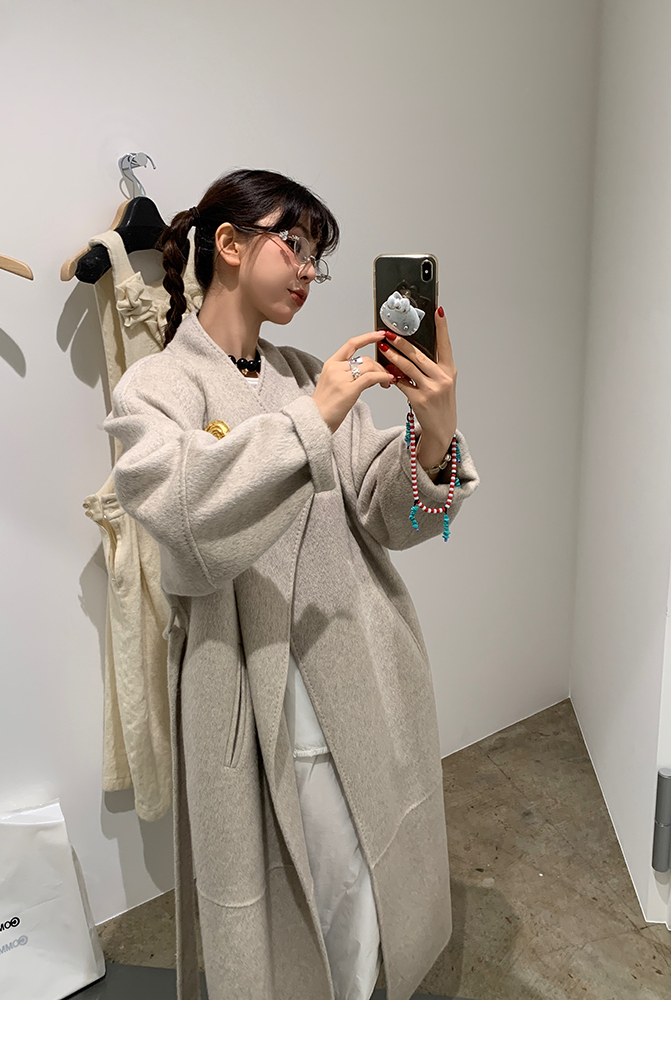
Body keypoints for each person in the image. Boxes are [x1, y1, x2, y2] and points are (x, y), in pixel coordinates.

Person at [103, 168, 479, 1000]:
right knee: (297, 911)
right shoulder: (155, 388)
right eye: (296, 244)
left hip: (359, 662)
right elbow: (185, 517)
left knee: (363, 896)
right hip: (257, 691)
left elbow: (396, 519)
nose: (310, 270)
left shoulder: (310, 370)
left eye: (318, 256)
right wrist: (315, 418)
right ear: (230, 245)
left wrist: (435, 432)